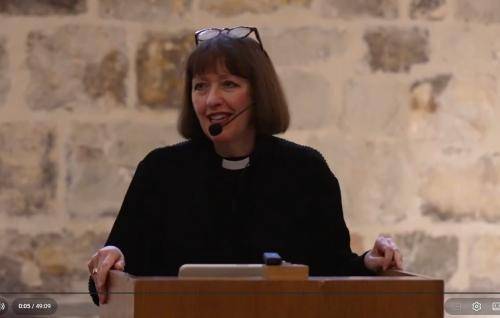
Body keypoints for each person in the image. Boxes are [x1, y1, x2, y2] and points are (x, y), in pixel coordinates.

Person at [87, 26, 403, 306]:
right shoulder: (160, 171)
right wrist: (112, 262)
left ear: (259, 93)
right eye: (200, 86)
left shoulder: (305, 171)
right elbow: (106, 282)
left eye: (228, 84)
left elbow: (332, 271)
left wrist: (368, 262)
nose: (211, 100)